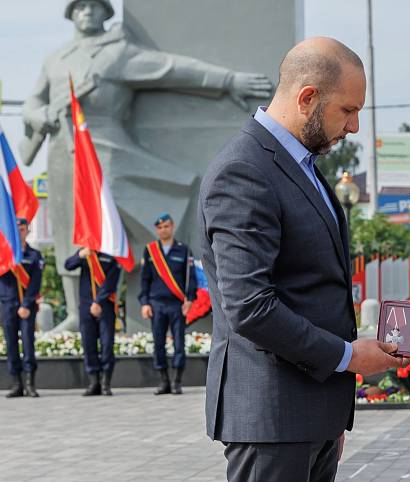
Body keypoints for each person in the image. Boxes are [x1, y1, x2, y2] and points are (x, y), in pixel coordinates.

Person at [199, 37, 402, 482]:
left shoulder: (301, 165)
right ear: (307, 97)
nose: (352, 127)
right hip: (272, 418)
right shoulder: (245, 170)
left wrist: (327, 417)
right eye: (347, 111)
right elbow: (250, 307)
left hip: (308, 415)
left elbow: (311, 288)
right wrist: (348, 357)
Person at [20, 0, 272, 330]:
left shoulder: (116, 52)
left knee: (141, 208)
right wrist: (40, 116)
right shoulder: (55, 59)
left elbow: (171, 68)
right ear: (70, 14)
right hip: (63, 151)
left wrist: (227, 80)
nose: (87, 13)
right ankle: (74, 313)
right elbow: (33, 102)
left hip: (107, 148)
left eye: (95, 6)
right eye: (80, 7)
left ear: (105, 13)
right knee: (71, 231)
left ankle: (164, 283)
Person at [139, 213, 197, 395]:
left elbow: (191, 278)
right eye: (160, 227)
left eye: (166, 226)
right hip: (156, 304)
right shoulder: (150, 250)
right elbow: (145, 280)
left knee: (179, 343)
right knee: (158, 343)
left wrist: (189, 299)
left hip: (177, 305)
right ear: (157, 229)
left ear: (172, 227)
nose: (163, 230)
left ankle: (176, 381)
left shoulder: (184, 250)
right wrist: (144, 303)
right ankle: (164, 381)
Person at [64, 247, 121, 396]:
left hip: (105, 306)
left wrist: (98, 301)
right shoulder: (85, 252)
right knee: (88, 344)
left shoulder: (111, 254)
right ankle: (94, 382)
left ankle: (105, 383)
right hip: (85, 306)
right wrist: (80, 256)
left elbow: (111, 282)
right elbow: (68, 265)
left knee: (107, 344)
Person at [1, 218, 44, 398]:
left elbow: (35, 283)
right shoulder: (4, 255)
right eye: (16, 229)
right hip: (7, 303)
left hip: (27, 306)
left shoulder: (35, 255)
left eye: (23, 229)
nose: (19, 232)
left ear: (27, 231)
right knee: (11, 344)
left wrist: (26, 304)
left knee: (28, 343)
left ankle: (30, 384)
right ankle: (16, 384)